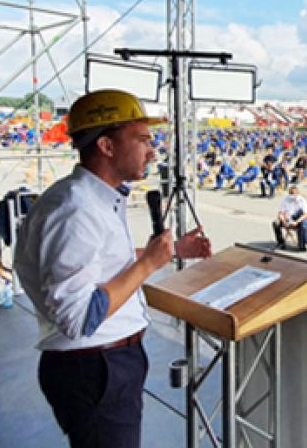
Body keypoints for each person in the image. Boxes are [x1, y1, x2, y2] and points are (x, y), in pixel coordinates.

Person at [15, 90, 212, 448]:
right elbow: (79, 319)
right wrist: (149, 263)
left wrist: (172, 251)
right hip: (95, 369)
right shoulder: (75, 210)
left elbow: (101, 260)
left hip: (101, 364)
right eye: (141, 140)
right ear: (106, 145)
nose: (151, 151)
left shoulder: (91, 198)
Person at [272, 186, 307, 251]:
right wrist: (284, 221)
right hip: (287, 220)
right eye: (291, 194)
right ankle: (280, 242)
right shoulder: (285, 200)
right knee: (275, 223)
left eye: (294, 195)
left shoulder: (302, 200)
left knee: (303, 225)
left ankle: (301, 245)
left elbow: (306, 214)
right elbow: (280, 213)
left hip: (298, 220)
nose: (293, 197)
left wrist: (297, 222)